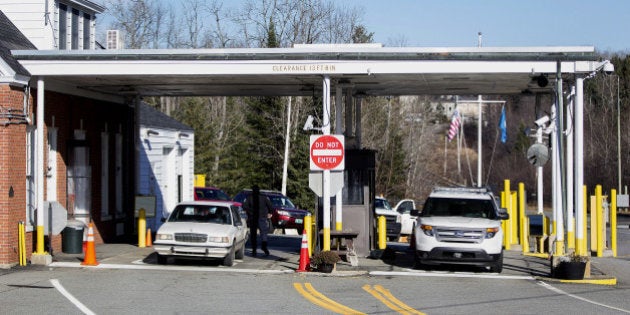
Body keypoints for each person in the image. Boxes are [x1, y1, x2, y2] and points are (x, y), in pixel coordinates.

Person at [243, 185, 273, 256]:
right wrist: (270, 212)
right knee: (263, 233)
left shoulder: (249, 197)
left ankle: (254, 249)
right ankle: (264, 247)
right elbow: (270, 206)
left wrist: (249, 212)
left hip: (253, 218)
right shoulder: (264, 197)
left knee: (253, 234)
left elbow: (244, 206)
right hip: (262, 217)